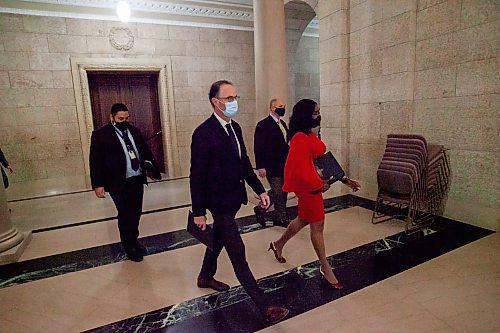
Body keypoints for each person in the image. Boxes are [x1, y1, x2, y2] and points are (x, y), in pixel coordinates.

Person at [190, 80, 289, 324]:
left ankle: (205, 276)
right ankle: (264, 305)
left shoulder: (234, 128)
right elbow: (197, 175)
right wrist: (199, 211)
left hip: (234, 198)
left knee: (221, 239)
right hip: (218, 201)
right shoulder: (203, 133)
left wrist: (260, 189)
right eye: (229, 98)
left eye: (236, 97)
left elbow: (244, 162)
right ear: (216, 102)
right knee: (238, 253)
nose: (234, 102)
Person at [268, 99, 360, 289]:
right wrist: (319, 185)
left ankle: (278, 244)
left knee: (303, 219)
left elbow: (321, 161)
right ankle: (325, 267)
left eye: (319, 112)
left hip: (313, 185)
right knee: (317, 226)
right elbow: (300, 170)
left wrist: (343, 179)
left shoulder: (308, 134)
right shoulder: (300, 138)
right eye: (315, 113)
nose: (319, 115)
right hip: (308, 188)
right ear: (305, 115)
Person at [89, 103, 154, 262]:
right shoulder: (100, 135)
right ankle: (128, 245)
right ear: (112, 117)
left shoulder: (134, 131)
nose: (124, 121)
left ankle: (134, 239)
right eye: (120, 118)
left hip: (136, 179)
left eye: (126, 118)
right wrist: (98, 184)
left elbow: (143, 150)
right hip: (117, 182)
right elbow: (95, 161)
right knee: (126, 214)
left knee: (136, 212)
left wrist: (151, 164)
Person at [253, 98, 290, 227]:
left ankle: (261, 209)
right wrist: (260, 166)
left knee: (280, 191)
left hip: (283, 164)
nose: (283, 108)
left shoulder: (283, 124)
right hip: (271, 165)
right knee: (279, 191)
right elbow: (259, 147)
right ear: (272, 108)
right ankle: (281, 216)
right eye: (280, 106)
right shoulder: (263, 125)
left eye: (284, 105)